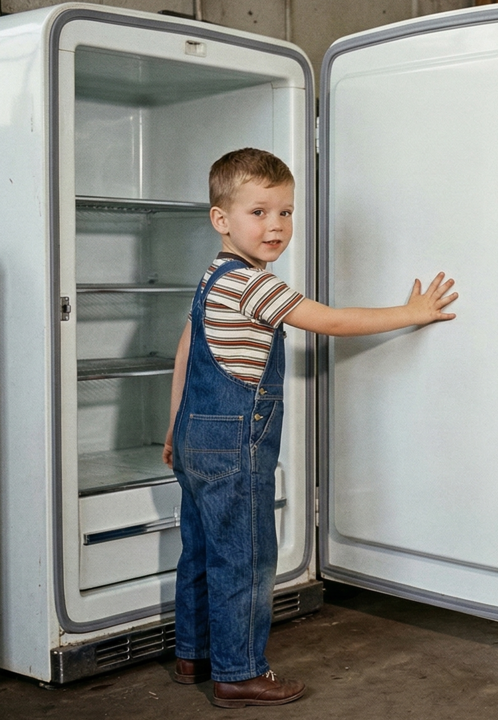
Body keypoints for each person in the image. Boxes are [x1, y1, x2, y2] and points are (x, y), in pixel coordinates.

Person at [161, 148, 458, 707]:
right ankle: (239, 672)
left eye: (286, 212)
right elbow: (331, 321)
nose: (276, 225)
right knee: (245, 558)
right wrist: (410, 313)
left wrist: (174, 427)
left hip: (198, 435)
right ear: (221, 219)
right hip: (234, 445)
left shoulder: (212, 280)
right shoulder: (255, 286)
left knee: (201, 551)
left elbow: (187, 350)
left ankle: (194, 654)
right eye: (259, 212)